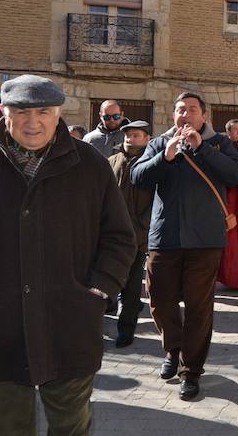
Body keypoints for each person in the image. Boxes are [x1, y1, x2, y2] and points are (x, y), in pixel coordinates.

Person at [0, 75, 136, 434]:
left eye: (44, 111)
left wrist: (97, 291)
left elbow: (119, 238)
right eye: (22, 111)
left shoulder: (90, 165)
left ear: (58, 113)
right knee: (5, 429)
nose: (33, 122)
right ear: (3, 112)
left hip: (69, 328)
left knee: (71, 427)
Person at [131, 92, 238, 401]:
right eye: (180, 109)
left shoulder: (219, 143)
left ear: (204, 116)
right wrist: (164, 157)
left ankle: (190, 371)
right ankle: (173, 348)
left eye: (192, 110)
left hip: (205, 239)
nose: (185, 115)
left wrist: (202, 148)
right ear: (174, 116)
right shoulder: (159, 144)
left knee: (198, 307)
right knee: (159, 299)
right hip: (164, 236)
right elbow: (137, 177)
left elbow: (236, 175)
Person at [107, 120, 155, 349]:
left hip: (137, 235)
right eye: (128, 135)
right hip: (111, 234)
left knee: (133, 286)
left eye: (136, 135)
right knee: (109, 281)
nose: (130, 139)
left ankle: (126, 330)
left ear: (147, 139)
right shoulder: (112, 161)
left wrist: (142, 226)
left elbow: (157, 199)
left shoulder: (152, 162)